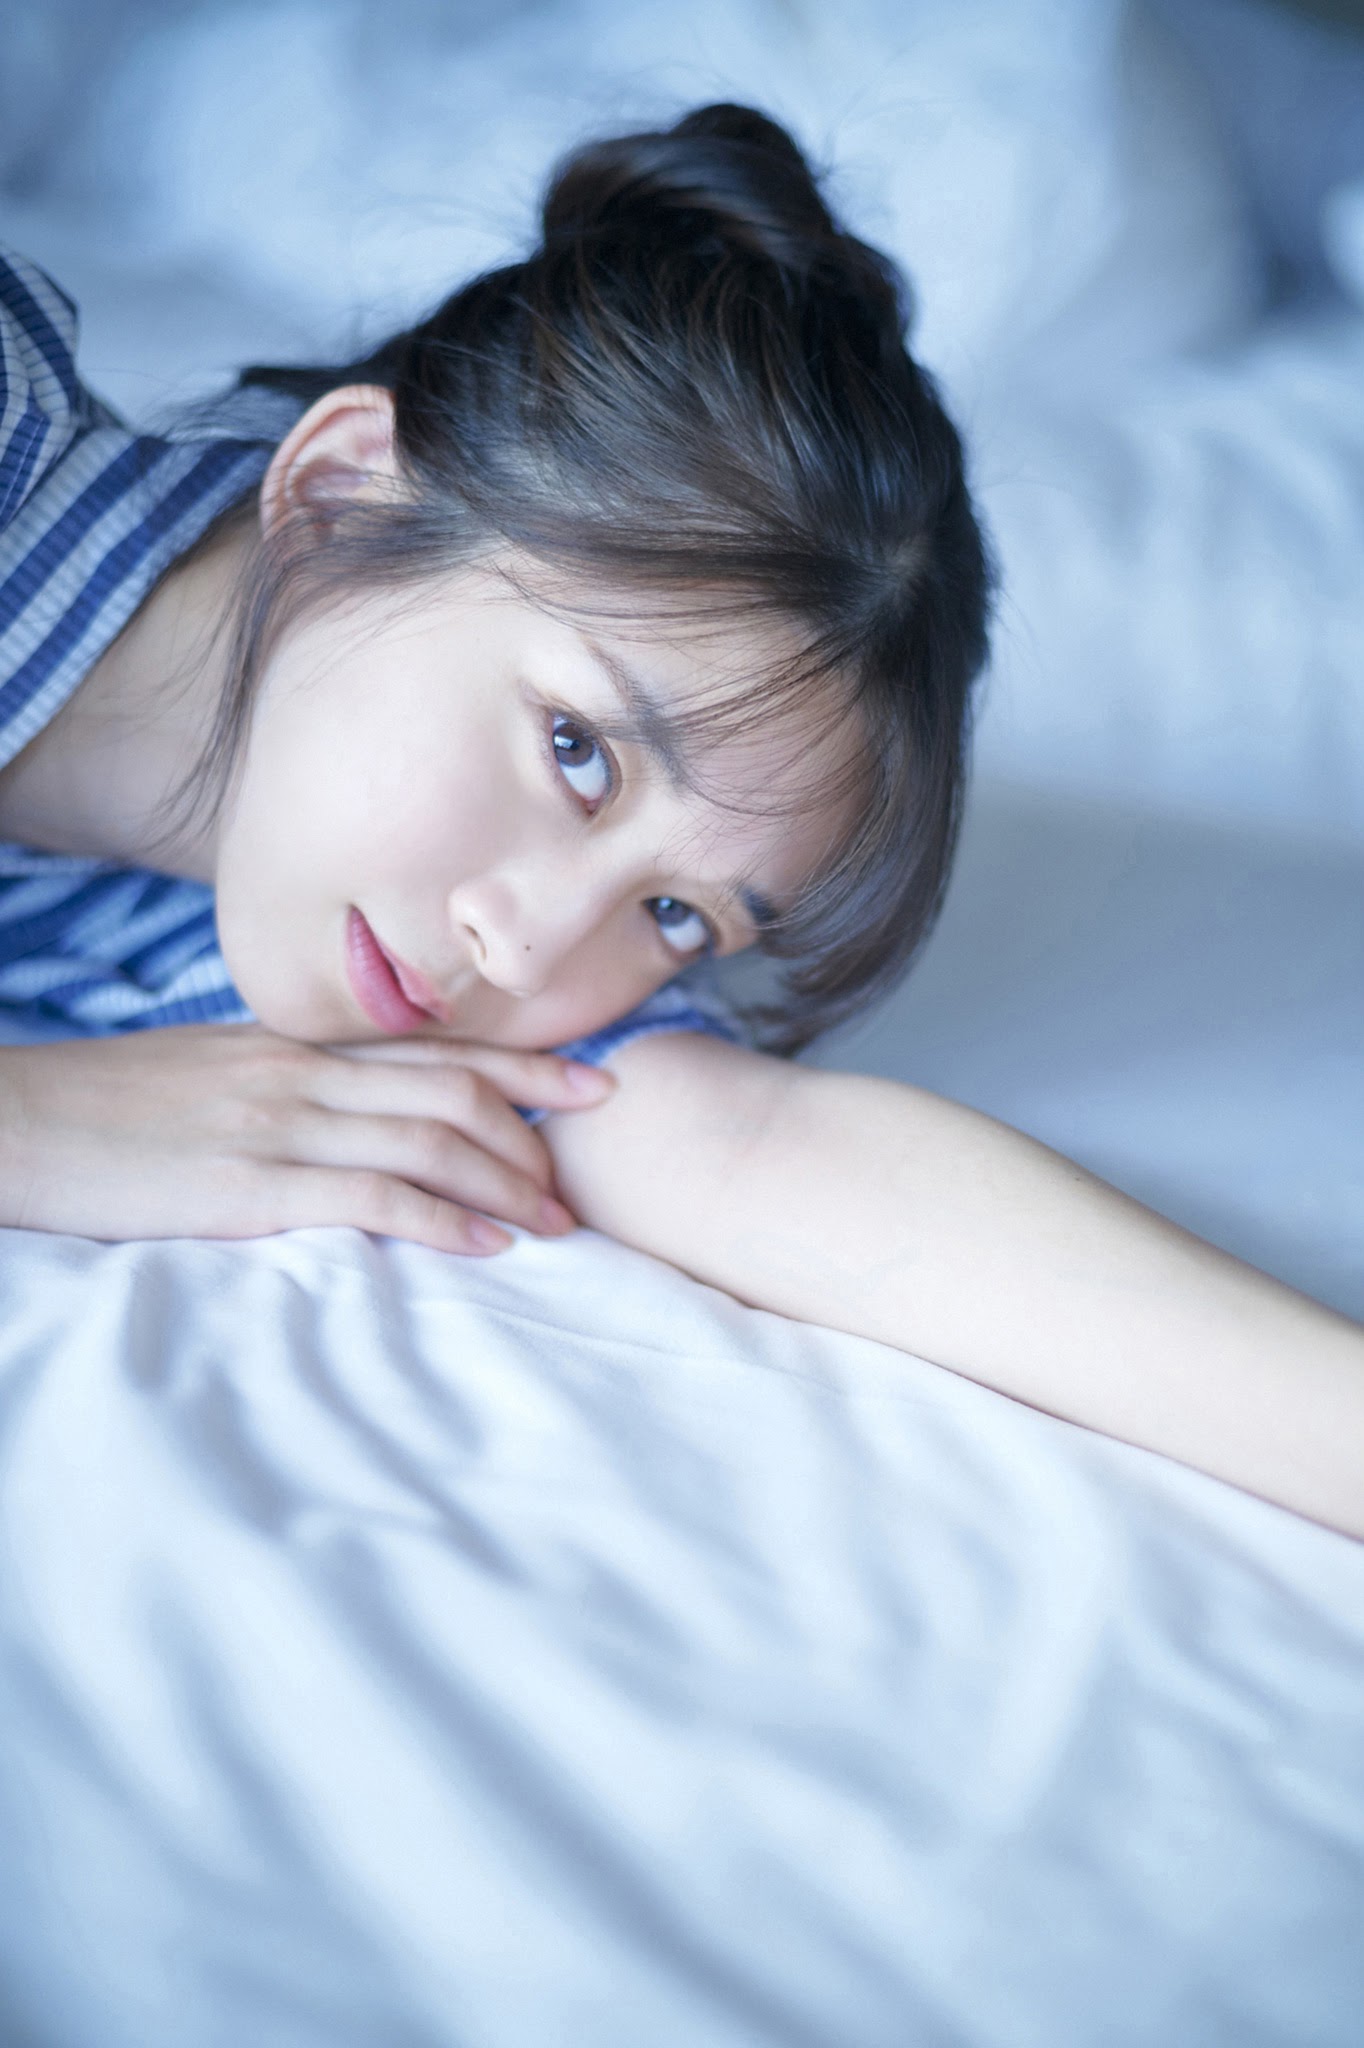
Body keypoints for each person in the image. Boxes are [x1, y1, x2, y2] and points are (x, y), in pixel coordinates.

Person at [0, 105, 1359, 1538]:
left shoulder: (363, 923)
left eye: (674, 914)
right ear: (340, 495)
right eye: (577, 752)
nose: (525, 951)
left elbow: (764, 1155)